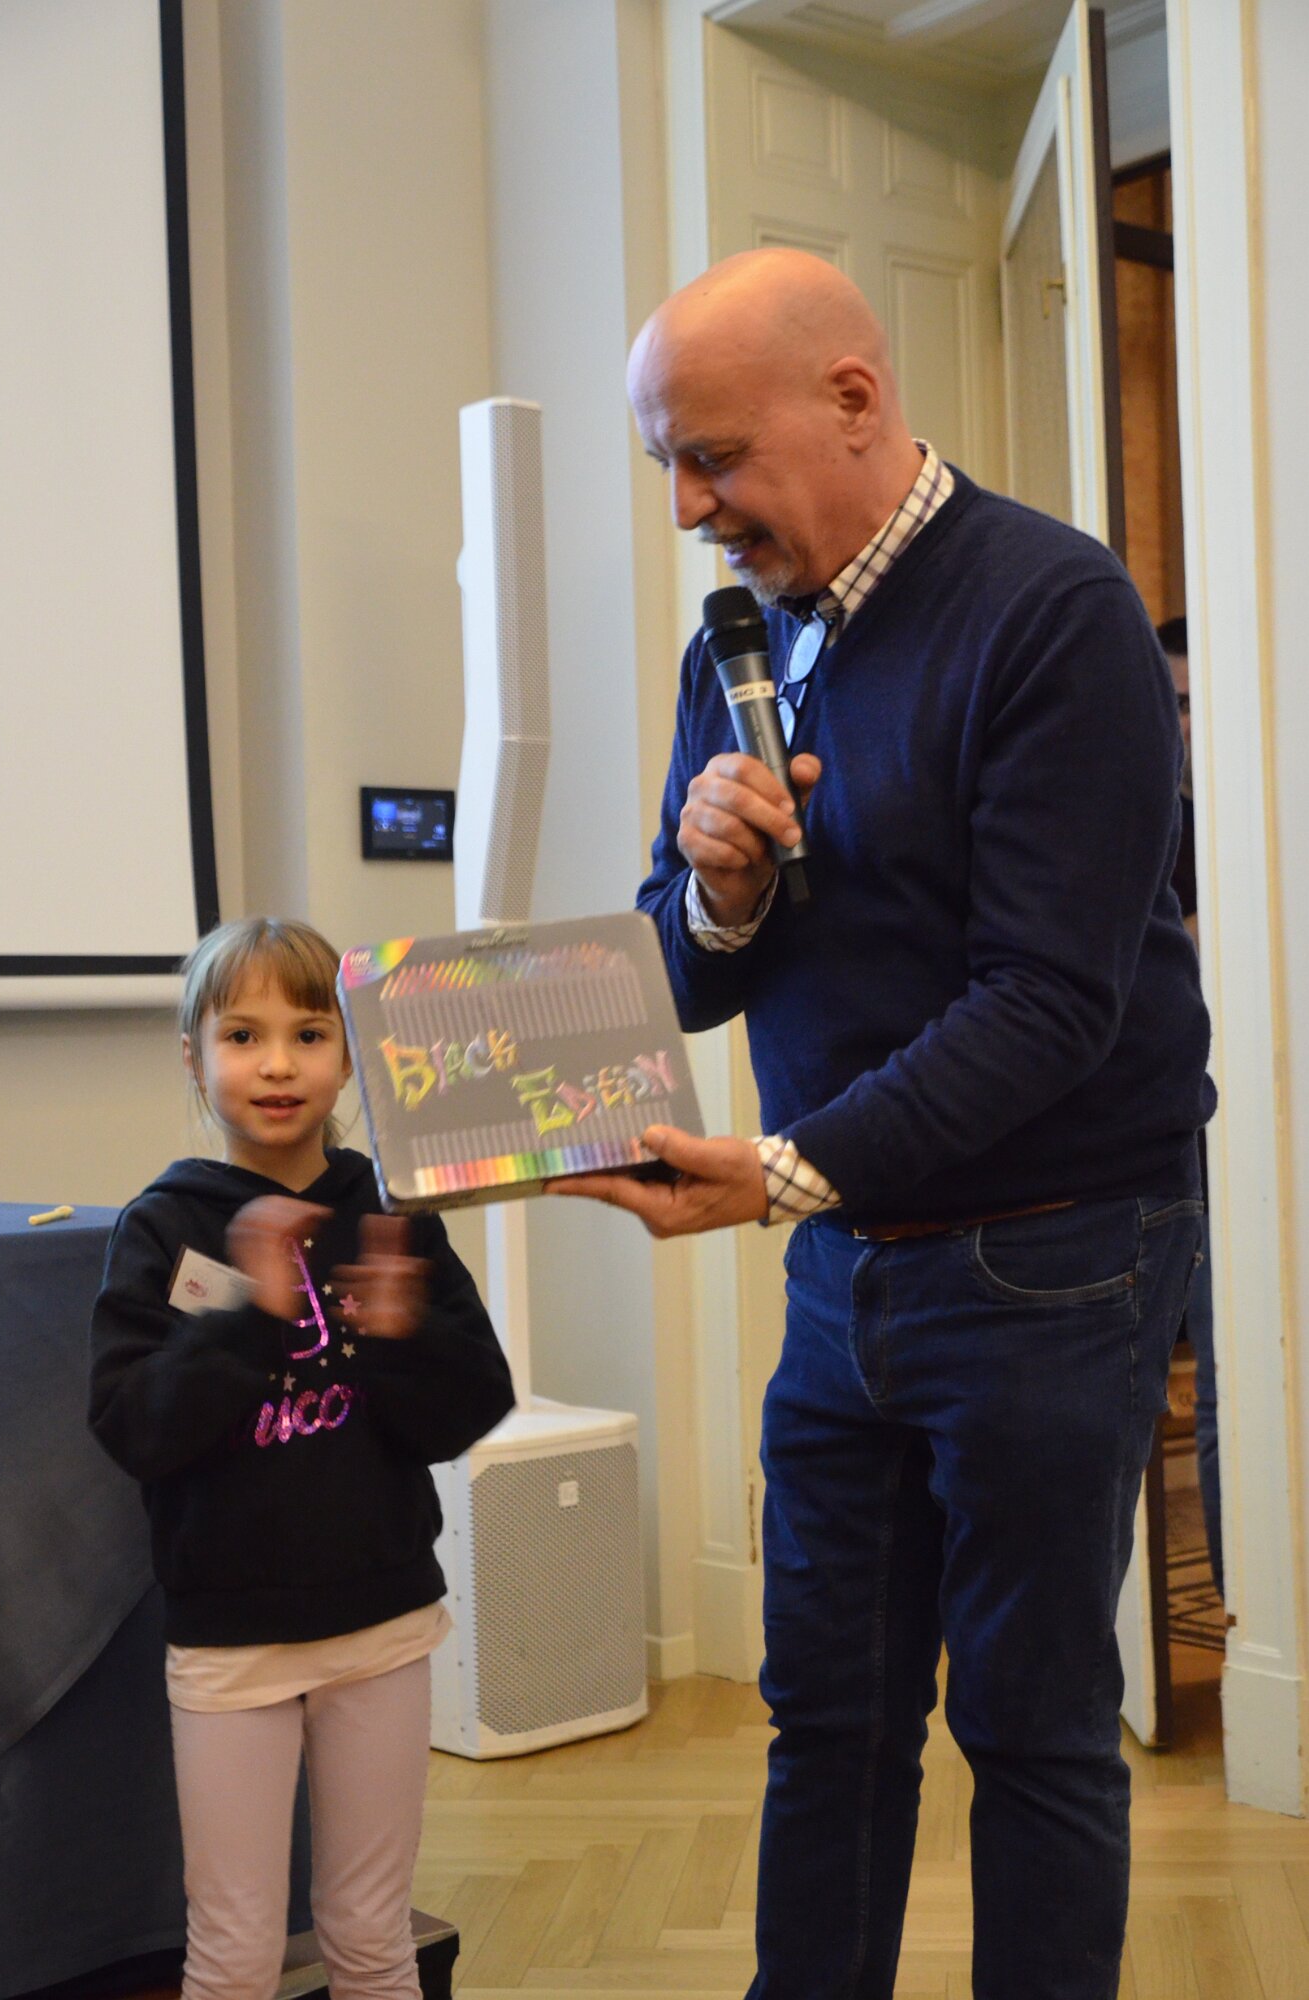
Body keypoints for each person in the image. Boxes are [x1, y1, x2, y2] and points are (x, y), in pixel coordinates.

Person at [551, 249, 1214, 1999]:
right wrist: (717, 891)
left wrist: (781, 1170)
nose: (690, 510)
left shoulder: (1056, 611)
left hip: (1057, 1263)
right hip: (844, 1261)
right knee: (828, 1715)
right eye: (668, 468)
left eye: (714, 458)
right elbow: (683, 973)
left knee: (1031, 1722)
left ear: (853, 400)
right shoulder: (738, 638)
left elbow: (1050, 1005)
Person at [89, 917, 513, 2000]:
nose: (277, 1063)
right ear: (196, 1060)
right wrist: (247, 1312)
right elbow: (135, 1426)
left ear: (350, 1054)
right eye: (242, 1034)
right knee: (235, 1951)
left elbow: (471, 1404)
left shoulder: (392, 1213)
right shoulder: (164, 1226)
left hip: (382, 1625)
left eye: (309, 1032)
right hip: (230, 1644)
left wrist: (396, 1331)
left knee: (371, 1937)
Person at [1158, 613, 1223, 1599]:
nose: (1183, 723)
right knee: (1223, 1379)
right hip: (1186, 1126)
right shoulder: (1149, 821)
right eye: (1171, 702)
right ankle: (1235, 1601)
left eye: (1195, 701)